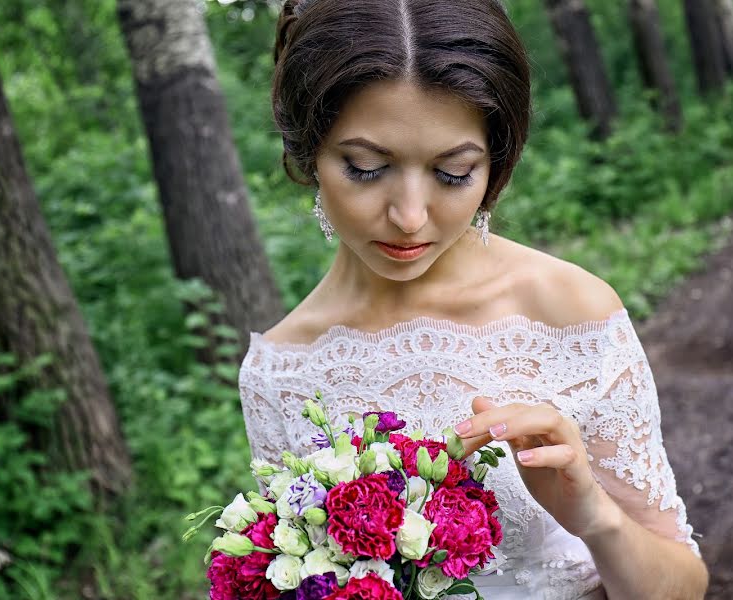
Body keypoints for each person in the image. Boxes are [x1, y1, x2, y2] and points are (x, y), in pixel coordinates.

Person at [239, 1, 709, 597]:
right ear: (308, 151)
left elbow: (684, 589)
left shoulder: (568, 312)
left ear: (496, 163)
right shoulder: (281, 370)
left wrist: (594, 516)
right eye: (365, 168)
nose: (410, 218)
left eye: (454, 173)